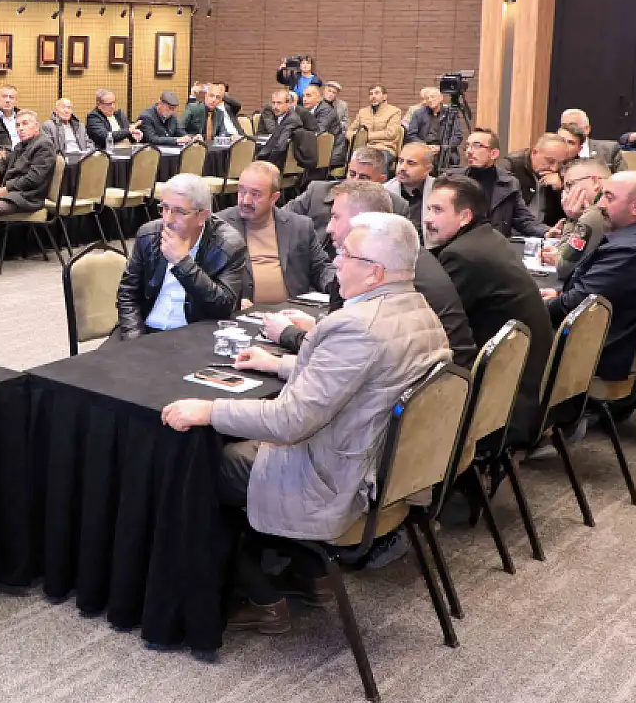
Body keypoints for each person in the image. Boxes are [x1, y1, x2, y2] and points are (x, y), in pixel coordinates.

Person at [161, 212, 449, 633]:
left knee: (201, 466)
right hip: (386, 472)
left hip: (335, 482)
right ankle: (311, 574)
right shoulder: (418, 309)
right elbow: (358, 378)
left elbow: (289, 421)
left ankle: (262, 598)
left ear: (374, 273)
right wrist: (279, 364)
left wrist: (209, 409)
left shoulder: (356, 326)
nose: (335, 260)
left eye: (345, 254)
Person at [264, 180, 474, 367]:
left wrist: (286, 334)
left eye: (336, 217)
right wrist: (318, 327)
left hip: (427, 382)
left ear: (362, 220)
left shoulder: (371, 265)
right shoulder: (403, 252)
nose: (328, 228)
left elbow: (340, 355)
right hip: (444, 381)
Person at [424, 174, 555, 440]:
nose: (427, 218)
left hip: (506, 398)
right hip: (528, 380)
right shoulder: (487, 237)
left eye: (437, 210)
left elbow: (434, 322)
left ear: (464, 217)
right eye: (428, 208)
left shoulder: (462, 254)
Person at [542, 172, 636, 381]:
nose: (600, 205)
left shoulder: (633, 250)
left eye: (609, 197)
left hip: (601, 352)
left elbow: (575, 306)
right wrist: (558, 293)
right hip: (617, 336)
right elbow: (599, 290)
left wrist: (535, 305)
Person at [114, 173, 248, 338]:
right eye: (164, 208)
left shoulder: (229, 246)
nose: (168, 219)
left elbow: (223, 307)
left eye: (179, 212)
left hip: (193, 334)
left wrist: (182, 263)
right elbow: (127, 294)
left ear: (202, 216)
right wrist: (134, 338)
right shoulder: (148, 235)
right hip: (142, 329)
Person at [214, 161, 329, 305]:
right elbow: (207, 279)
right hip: (240, 316)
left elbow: (321, 268)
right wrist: (232, 302)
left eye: (256, 195)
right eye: (242, 191)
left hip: (293, 312)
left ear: (274, 198)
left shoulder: (299, 226)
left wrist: (340, 285)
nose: (245, 200)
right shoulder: (219, 226)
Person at [0, 109, 57, 279]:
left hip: (29, 197)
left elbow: (33, 179)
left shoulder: (44, 145)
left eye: (25, 124)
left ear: (36, 126)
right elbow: (3, 159)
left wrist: (3, 190)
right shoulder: (21, 145)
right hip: (13, 194)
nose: (20, 128)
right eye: (18, 125)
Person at [451, 129, 547, 238]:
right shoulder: (453, 181)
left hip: (494, 246)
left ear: (494, 153)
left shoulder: (509, 183)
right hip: (459, 245)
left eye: (477, 146)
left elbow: (523, 219)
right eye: (467, 146)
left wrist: (546, 232)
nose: (469, 151)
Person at [282, 147, 390, 242]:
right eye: (352, 174)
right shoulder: (318, 191)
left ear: (380, 180)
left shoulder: (395, 207)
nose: (354, 181)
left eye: (363, 178)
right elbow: (280, 218)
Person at [544, 159, 609, 282]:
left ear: (595, 182)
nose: (566, 193)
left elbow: (563, 268)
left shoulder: (595, 214)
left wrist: (571, 218)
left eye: (570, 185)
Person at [503, 132, 569, 227]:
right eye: (550, 161)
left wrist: (560, 190)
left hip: (546, 233)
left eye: (560, 163)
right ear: (534, 152)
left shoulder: (562, 173)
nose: (554, 168)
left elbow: (566, 216)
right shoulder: (511, 168)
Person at [254, 89, 316, 171]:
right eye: (273, 103)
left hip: (275, 163)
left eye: (279, 103)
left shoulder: (291, 120)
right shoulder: (283, 116)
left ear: (289, 104)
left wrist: (266, 165)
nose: (275, 107)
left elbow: (280, 147)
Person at [387, 142, 435, 233]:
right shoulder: (385, 191)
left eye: (411, 163)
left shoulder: (438, 191)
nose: (402, 167)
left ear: (427, 169)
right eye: (400, 161)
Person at [558, 109, 624, 173]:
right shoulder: (554, 150)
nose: (567, 130)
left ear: (587, 129)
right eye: (564, 126)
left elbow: (623, 179)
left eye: (572, 125)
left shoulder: (610, 150)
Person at [349, 83, 404, 155]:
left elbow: (390, 133)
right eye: (371, 94)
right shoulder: (362, 112)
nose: (373, 96)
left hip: (384, 148)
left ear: (384, 96)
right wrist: (354, 138)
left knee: (375, 160)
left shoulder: (395, 111)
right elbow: (350, 130)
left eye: (376, 93)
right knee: (354, 160)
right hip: (363, 148)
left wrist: (365, 136)